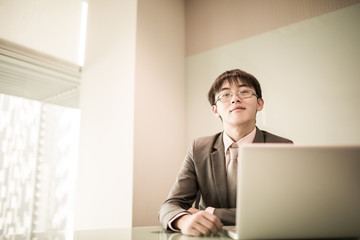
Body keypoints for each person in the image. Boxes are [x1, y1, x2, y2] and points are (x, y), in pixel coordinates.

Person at [158, 69, 293, 236]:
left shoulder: (281, 147)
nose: (235, 99)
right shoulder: (199, 148)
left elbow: (283, 213)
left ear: (260, 103)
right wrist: (183, 220)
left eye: (244, 92)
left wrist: (211, 213)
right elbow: (170, 205)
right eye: (225, 95)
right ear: (215, 110)